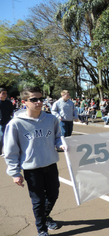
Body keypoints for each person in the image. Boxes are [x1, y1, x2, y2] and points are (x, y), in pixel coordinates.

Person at [4, 87, 64, 236]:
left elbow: (57, 137)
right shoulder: (15, 124)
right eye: (34, 99)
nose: (39, 102)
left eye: (41, 99)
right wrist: (15, 172)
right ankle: (42, 229)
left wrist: (60, 144)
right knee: (38, 201)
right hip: (32, 168)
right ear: (24, 102)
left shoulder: (51, 119)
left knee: (53, 194)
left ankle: (45, 216)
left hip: (50, 164)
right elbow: (11, 151)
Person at [0, 87, 14, 153]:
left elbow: (11, 112)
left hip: (8, 122)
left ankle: (6, 151)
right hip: (0, 123)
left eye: (6, 93)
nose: (5, 94)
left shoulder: (8, 103)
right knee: (1, 137)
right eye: (3, 93)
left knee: (8, 137)